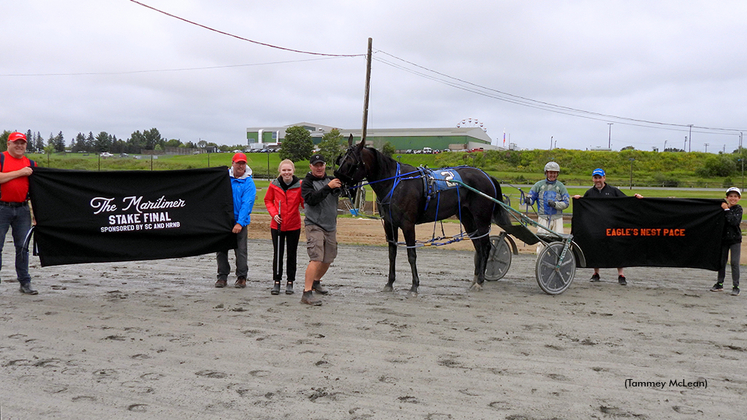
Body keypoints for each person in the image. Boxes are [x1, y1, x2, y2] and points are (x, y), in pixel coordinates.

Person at [572, 168, 643, 285]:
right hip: (596, 227)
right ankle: (596, 273)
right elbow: (584, 208)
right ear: (593, 179)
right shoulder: (590, 193)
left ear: (604, 178)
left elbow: (626, 202)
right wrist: (579, 200)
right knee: (595, 248)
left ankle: (621, 275)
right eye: (595, 178)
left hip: (612, 226)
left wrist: (637, 199)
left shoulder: (613, 191)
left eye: (600, 177)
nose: (598, 180)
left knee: (617, 249)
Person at [300, 154, 341, 306]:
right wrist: (328, 187)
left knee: (328, 258)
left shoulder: (331, 180)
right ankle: (307, 293)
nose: (319, 167)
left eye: (321, 164)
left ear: (325, 165)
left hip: (331, 226)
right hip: (314, 225)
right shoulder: (306, 183)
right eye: (316, 165)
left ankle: (316, 282)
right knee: (316, 258)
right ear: (310, 166)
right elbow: (311, 199)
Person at [0, 132, 37, 294]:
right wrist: (21, 172)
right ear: (8, 144)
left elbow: (36, 191)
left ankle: (24, 282)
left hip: (23, 210)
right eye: (16, 143)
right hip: (1, 208)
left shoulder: (31, 163)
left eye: (22, 143)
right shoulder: (1, 158)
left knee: (22, 247)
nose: (19, 146)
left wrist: (35, 213)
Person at [216, 152, 256, 288]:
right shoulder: (223, 178)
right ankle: (222, 276)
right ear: (232, 163)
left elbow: (247, 203)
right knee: (221, 249)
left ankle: (242, 276)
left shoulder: (249, 182)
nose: (240, 166)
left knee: (241, 250)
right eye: (238, 163)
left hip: (240, 221)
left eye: (243, 163)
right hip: (223, 220)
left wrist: (239, 222)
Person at [264, 159, 304, 295]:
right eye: (284, 170)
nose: (286, 173)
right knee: (278, 253)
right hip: (277, 225)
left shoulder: (300, 185)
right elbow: (268, 200)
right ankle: (277, 281)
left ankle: (290, 281)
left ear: (293, 171)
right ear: (280, 171)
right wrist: (274, 214)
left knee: (292, 254)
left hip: (294, 225)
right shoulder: (274, 185)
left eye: (289, 170)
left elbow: (305, 202)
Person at [528, 162, 570, 251]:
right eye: (550, 172)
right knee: (541, 242)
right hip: (543, 219)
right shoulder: (538, 185)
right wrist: (528, 200)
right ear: (546, 173)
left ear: (557, 174)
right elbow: (531, 198)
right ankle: (540, 261)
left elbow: (566, 202)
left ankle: (556, 262)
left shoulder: (561, 186)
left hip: (557, 219)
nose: (552, 175)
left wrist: (556, 204)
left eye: (554, 173)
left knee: (558, 242)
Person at [710, 187, 742, 296]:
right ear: (727, 197)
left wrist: (726, 210)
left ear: (739, 198)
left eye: (735, 196)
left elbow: (733, 221)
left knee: (734, 262)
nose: (733, 198)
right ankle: (720, 283)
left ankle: (736, 286)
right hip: (723, 239)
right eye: (731, 196)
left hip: (735, 240)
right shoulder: (722, 209)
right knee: (722, 262)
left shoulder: (738, 209)